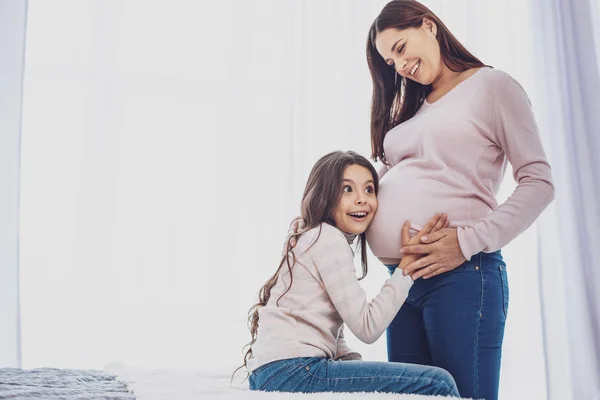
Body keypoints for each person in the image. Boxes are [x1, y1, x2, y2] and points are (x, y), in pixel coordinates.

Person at [362, 1, 555, 399]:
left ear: (429, 26)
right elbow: (393, 179)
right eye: (389, 61)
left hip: (462, 277)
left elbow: (539, 182)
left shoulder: (493, 87)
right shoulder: (412, 109)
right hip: (401, 283)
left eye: (400, 48)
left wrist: (466, 242)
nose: (398, 67)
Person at [235, 150, 460, 396]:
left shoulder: (310, 235)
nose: (362, 199)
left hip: (272, 371)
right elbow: (367, 327)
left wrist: (356, 368)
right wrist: (406, 267)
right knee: (438, 383)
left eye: (369, 190)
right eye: (347, 189)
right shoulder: (328, 239)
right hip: (295, 369)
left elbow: (331, 324)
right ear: (325, 196)